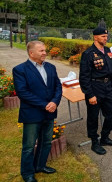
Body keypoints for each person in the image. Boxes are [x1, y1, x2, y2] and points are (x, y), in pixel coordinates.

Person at [13, 41, 62, 182]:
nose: (45, 53)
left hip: (50, 112)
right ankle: (27, 173)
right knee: (28, 146)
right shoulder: (20, 69)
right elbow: (23, 92)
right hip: (32, 114)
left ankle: (40, 166)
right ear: (31, 53)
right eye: (41, 51)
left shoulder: (51, 67)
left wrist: (54, 102)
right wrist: (45, 104)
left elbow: (58, 87)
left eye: (45, 50)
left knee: (46, 142)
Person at [79, 27, 112, 155]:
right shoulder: (88, 54)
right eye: (103, 36)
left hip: (107, 87)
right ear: (95, 37)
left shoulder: (107, 51)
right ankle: (94, 142)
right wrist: (89, 94)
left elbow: (111, 70)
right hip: (94, 87)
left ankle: (104, 137)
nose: (106, 38)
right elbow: (84, 77)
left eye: (106, 36)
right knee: (93, 117)